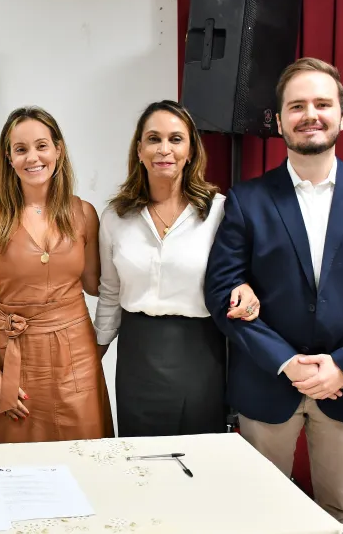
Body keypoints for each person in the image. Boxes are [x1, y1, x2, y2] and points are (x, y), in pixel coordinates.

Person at [204, 58, 343, 533]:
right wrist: (286, 362)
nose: (310, 115)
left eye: (322, 104)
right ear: (279, 121)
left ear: (342, 116)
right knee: (261, 515)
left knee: (339, 512)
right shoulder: (247, 199)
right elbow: (221, 290)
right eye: (297, 105)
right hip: (267, 382)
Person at [95, 100, 261, 437]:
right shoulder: (115, 216)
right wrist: (93, 355)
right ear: (139, 150)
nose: (164, 149)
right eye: (153, 139)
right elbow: (110, 293)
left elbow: (238, 279)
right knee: (139, 456)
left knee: (196, 457)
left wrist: (247, 292)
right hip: (137, 353)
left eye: (175, 139)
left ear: (191, 150)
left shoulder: (219, 212)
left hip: (200, 352)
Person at [0, 105, 115, 443]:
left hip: (77, 356)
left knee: (83, 455)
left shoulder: (84, 213)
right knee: (17, 459)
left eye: (41, 146)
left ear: (58, 150)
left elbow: (97, 285)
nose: (33, 157)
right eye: (21, 149)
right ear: (9, 158)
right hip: (13, 356)